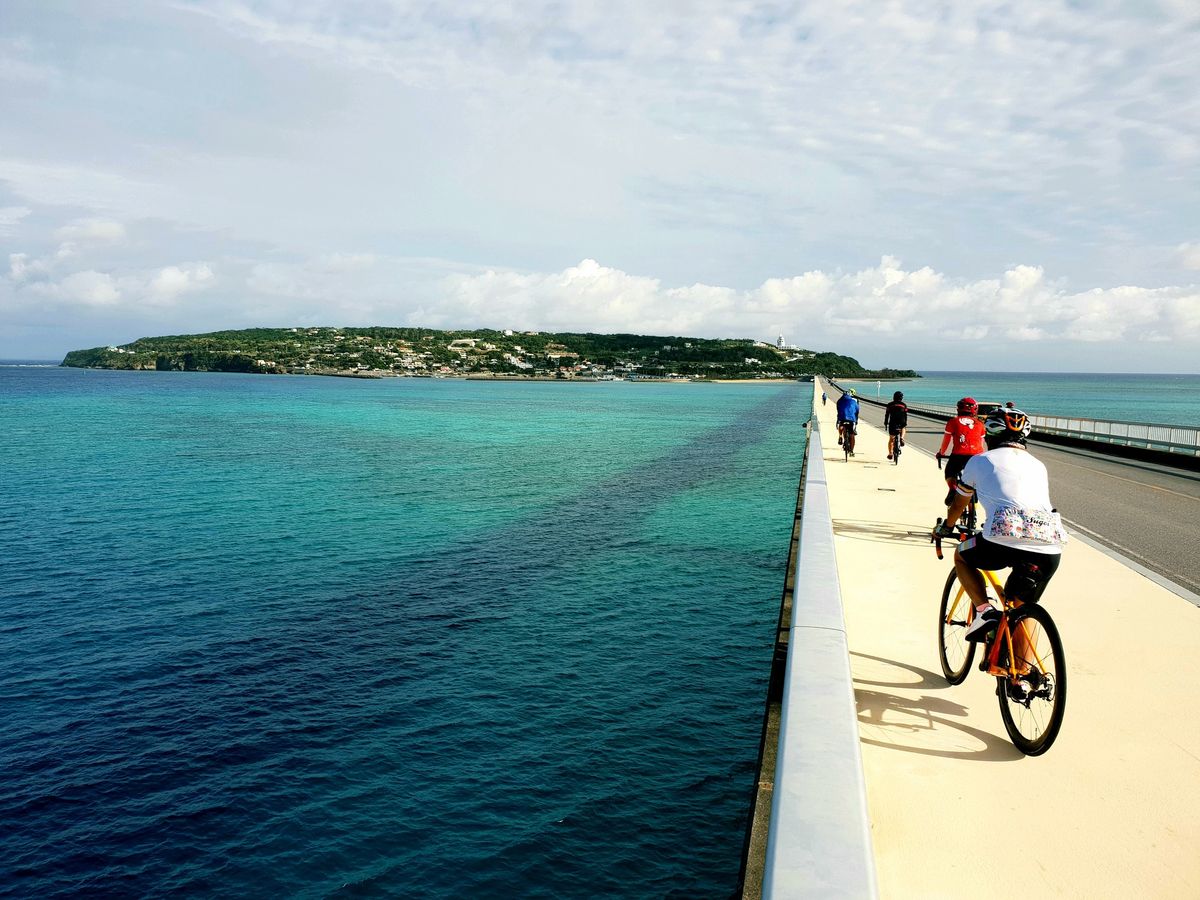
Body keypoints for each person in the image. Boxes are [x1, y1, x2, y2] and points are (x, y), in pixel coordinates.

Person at [935, 408, 1067, 652]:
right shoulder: (1039, 465)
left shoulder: (980, 461)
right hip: (1050, 543)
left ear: (990, 435)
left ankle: (984, 612)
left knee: (961, 555)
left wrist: (947, 526)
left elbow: (959, 503)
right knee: (1021, 607)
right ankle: (1025, 678)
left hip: (1002, 537)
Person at [936, 397, 985, 506]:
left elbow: (946, 442)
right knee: (974, 483)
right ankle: (973, 514)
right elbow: (981, 443)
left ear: (958, 409)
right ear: (975, 410)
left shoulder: (952, 422)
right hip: (976, 456)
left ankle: (953, 489)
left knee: (950, 472)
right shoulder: (980, 424)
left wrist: (941, 453)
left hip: (958, 455)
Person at [883, 390, 908, 460]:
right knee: (903, 427)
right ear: (901, 398)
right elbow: (905, 415)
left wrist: (885, 423)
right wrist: (905, 423)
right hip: (901, 421)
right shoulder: (904, 405)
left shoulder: (890, 404)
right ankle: (902, 438)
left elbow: (887, 415)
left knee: (891, 439)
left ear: (894, 397)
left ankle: (890, 453)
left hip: (893, 423)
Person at [835, 388, 859, 453]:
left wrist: (838, 420)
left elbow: (838, 410)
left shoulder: (839, 401)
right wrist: (856, 421)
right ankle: (851, 451)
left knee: (841, 425)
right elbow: (857, 411)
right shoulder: (853, 401)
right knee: (852, 435)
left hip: (842, 418)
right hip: (851, 419)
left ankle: (840, 436)